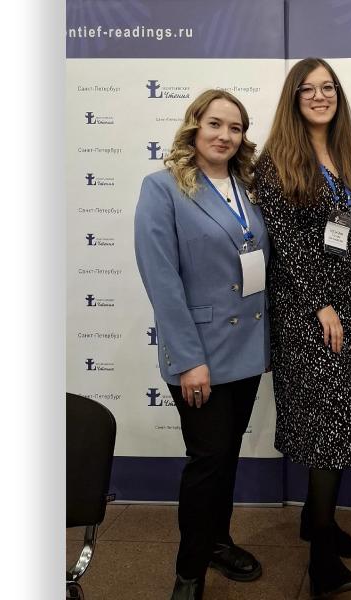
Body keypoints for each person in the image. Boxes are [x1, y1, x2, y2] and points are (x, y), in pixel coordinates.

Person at [134, 89, 270, 600]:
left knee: (227, 455)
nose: (225, 135)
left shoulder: (248, 187)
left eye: (235, 128)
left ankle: (218, 542)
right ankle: (189, 572)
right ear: (195, 126)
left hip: (247, 348)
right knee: (207, 459)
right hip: (200, 353)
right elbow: (162, 280)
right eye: (215, 124)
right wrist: (189, 360)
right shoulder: (162, 188)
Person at [252, 58, 351, 599]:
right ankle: (321, 559)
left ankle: (316, 518)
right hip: (310, 313)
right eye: (309, 89)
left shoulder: (345, 154)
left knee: (346, 418)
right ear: (294, 97)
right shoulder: (275, 163)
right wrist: (321, 305)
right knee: (327, 428)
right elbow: (287, 245)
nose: (320, 96)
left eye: (328, 88)